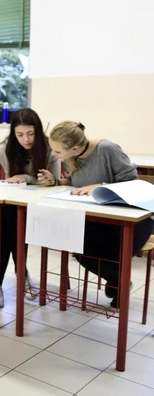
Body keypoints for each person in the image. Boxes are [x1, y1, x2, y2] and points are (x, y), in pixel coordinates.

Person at [40, 121, 153, 308]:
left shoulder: (107, 149)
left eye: (58, 152)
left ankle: (118, 283)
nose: (54, 155)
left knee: (110, 252)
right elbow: (78, 184)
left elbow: (133, 184)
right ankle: (119, 281)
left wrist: (101, 186)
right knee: (78, 247)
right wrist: (57, 182)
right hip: (100, 219)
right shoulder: (72, 158)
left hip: (134, 220)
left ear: (74, 148)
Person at [0, 108, 61, 308]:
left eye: (30, 134)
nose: (25, 139)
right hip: (10, 207)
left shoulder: (49, 148)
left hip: (37, 210)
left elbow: (59, 182)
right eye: (19, 134)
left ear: (38, 130)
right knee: (9, 223)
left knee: (8, 228)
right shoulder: (6, 148)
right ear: (13, 133)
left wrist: (48, 180)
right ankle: (20, 275)